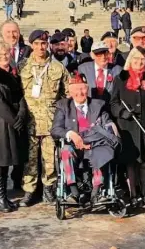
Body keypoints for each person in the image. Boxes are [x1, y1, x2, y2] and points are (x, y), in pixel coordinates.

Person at [18, 30, 70, 207]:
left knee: (50, 159)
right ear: (31, 45)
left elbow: (67, 94)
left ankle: (49, 188)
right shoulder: (22, 66)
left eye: (44, 43)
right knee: (30, 159)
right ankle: (29, 190)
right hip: (29, 121)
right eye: (37, 43)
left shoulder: (58, 68)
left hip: (50, 121)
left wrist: (61, 118)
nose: (41, 47)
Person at [110, 47, 145, 208]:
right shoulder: (120, 78)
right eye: (136, 59)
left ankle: (143, 192)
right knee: (132, 162)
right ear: (130, 60)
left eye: (142, 60)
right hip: (127, 125)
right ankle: (133, 194)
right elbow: (113, 102)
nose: (139, 63)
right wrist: (122, 113)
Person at [51, 71, 119, 204]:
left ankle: (96, 192)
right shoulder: (63, 106)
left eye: (83, 88)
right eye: (76, 90)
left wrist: (95, 139)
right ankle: (74, 191)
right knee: (65, 151)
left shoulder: (98, 105)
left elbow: (108, 125)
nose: (80, 93)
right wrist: (71, 134)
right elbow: (55, 129)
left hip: (94, 144)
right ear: (70, 92)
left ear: (87, 89)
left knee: (101, 150)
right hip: (73, 146)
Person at [0, 38, 28, 213]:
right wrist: (14, 120)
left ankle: (5, 196)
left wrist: (22, 113)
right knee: (0, 159)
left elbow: (21, 96)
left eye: (6, 53)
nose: (4, 56)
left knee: (10, 157)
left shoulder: (14, 73)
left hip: (16, 120)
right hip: (1, 122)